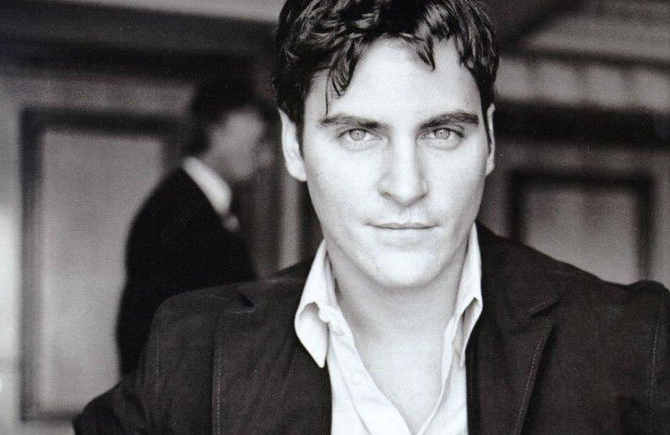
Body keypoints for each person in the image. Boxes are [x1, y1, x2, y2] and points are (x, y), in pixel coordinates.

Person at [77, 0, 670, 433]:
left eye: (442, 132)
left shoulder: (636, 344)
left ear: (489, 140)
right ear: (293, 146)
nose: (406, 187)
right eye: (359, 134)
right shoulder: (190, 355)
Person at [115, 80, 270, 375]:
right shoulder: (180, 214)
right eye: (260, 141)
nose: (266, 159)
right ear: (219, 128)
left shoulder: (190, 205)